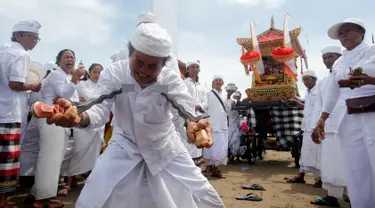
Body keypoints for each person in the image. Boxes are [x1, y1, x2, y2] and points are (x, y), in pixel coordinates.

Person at [45, 15, 224, 208]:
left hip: (165, 147)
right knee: (94, 196)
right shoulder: (116, 74)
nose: (144, 71)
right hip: (124, 145)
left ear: (163, 64)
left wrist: (193, 124)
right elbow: (98, 107)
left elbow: (184, 110)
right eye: (139, 62)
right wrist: (79, 117)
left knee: (203, 195)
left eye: (153, 65)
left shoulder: (168, 81)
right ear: (129, 53)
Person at [315, 18, 375, 208]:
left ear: (362, 32)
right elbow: (333, 91)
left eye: (348, 30)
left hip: (373, 113)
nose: (344, 35)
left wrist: (369, 80)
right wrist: (323, 117)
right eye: (341, 33)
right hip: (350, 116)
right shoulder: (340, 62)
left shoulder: (372, 50)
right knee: (356, 167)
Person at [29, 49, 85, 208]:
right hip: (52, 118)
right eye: (66, 57)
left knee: (49, 157)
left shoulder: (65, 76)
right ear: (58, 61)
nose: (70, 60)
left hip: (57, 119)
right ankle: (42, 200)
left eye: (72, 57)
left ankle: (35, 193)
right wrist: (74, 80)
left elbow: (67, 98)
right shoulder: (56, 74)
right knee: (51, 158)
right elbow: (63, 94)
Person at [0, 20, 42, 207]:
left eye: (37, 38)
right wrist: (33, 86)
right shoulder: (20, 54)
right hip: (9, 114)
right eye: (32, 37)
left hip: (3, 110)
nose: (35, 41)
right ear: (19, 36)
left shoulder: (4, 51)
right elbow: (15, 84)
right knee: (7, 159)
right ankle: (3, 200)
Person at [310, 46, 349, 206]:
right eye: (324, 57)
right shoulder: (323, 82)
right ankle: (331, 196)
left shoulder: (349, 72)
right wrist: (315, 126)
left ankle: (353, 197)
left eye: (331, 56)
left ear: (340, 57)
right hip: (327, 127)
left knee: (346, 163)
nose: (327, 60)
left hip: (345, 125)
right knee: (329, 163)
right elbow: (318, 106)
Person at [287, 70, 321, 187]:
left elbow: (316, 108)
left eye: (308, 79)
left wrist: (296, 101)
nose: (305, 82)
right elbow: (306, 107)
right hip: (307, 127)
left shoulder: (319, 91)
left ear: (314, 79)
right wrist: (296, 100)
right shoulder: (308, 92)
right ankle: (301, 176)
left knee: (317, 153)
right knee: (305, 152)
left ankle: (320, 179)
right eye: (304, 80)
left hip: (316, 126)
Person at [201, 75, 233, 179]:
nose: (218, 82)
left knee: (220, 147)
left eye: (220, 80)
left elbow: (228, 110)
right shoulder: (208, 93)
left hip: (222, 124)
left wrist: (228, 97)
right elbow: (204, 106)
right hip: (211, 124)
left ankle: (216, 169)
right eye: (216, 80)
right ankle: (208, 169)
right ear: (213, 82)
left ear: (223, 83)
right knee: (209, 146)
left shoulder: (225, 94)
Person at [180, 60, 206, 166]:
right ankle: (187, 165)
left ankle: (196, 166)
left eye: (197, 67)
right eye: (192, 67)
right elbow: (180, 98)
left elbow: (206, 100)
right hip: (187, 117)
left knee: (199, 139)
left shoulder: (201, 86)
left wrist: (200, 105)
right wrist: (190, 108)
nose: (195, 69)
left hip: (199, 116)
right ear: (187, 69)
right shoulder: (183, 83)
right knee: (188, 140)